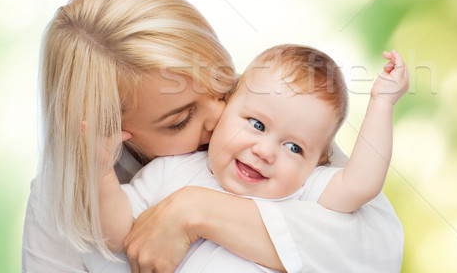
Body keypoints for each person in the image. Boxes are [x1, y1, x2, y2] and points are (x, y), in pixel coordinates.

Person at [21, 0, 405, 273]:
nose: (220, 118)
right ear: (110, 130)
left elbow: (375, 247)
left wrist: (195, 210)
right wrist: (101, 175)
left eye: (223, 87)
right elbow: (117, 234)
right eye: (181, 120)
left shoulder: (278, 119)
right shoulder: (66, 194)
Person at [98, 45, 409, 271]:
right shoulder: (170, 169)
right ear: (226, 104)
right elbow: (118, 236)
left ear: (319, 161)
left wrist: (382, 104)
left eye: (294, 148)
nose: (265, 152)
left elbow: (363, 183)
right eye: (257, 125)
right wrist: (100, 172)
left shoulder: (305, 191)